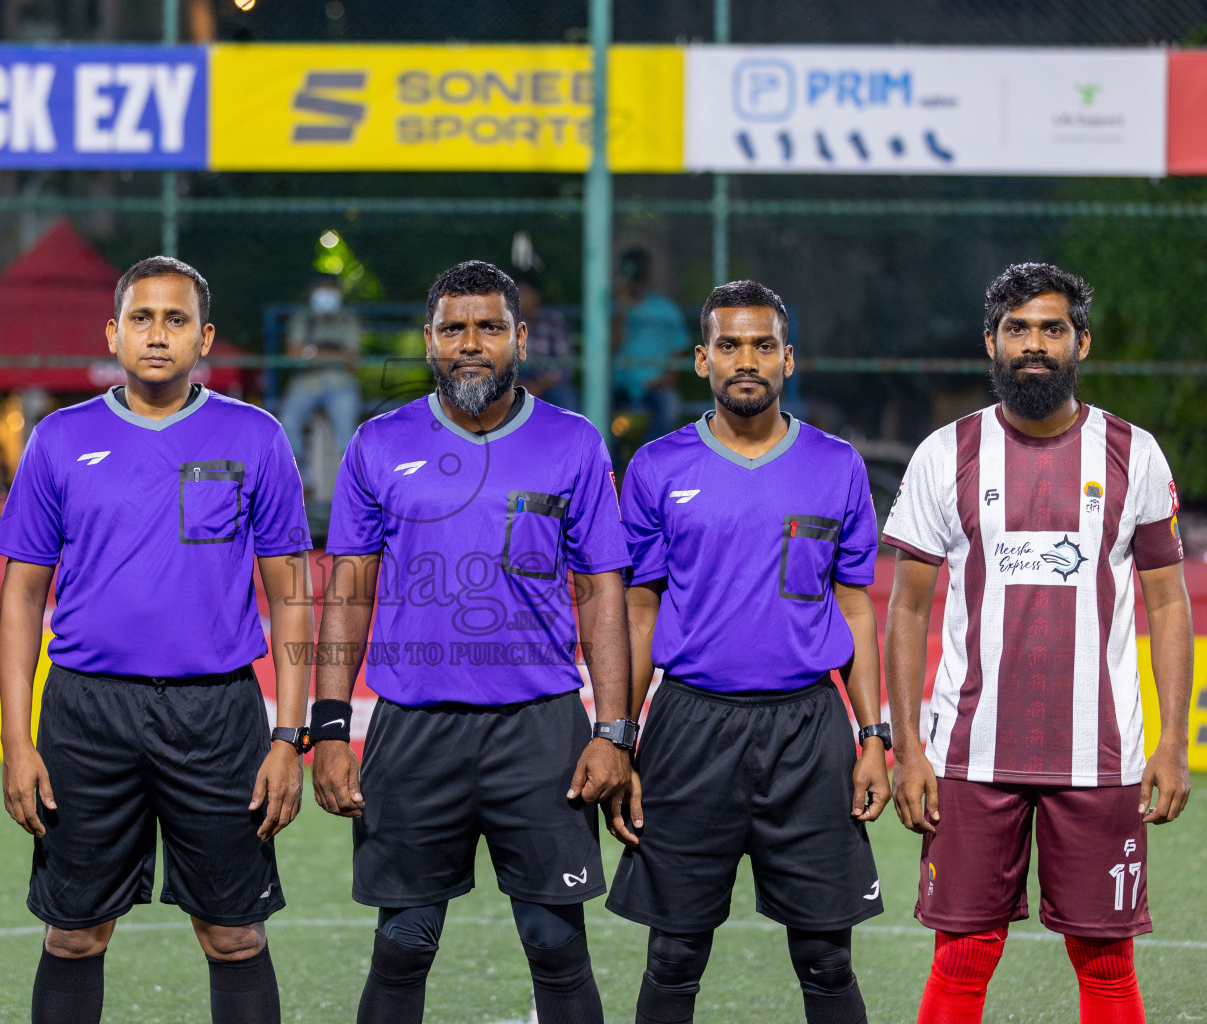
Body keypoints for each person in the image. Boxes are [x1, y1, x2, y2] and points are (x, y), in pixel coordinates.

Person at [312, 260, 638, 1024]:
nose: (470, 343)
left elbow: (602, 596)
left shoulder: (574, 444)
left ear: (518, 339)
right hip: (413, 728)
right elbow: (347, 591)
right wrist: (329, 728)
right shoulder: (378, 443)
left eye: (489, 327)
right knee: (403, 942)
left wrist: (614, 731)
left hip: (540, 727)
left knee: (555, 942)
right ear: (429, 340)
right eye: (453, 328)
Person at [0, 256, 314, 1024]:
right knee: (72, 936)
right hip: (85, 715)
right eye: (142, 318)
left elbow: (293, 598)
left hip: (217, 715)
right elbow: (21, 596)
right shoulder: (59, 440)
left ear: (204, 338)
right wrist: (17, 737)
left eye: (176, 320)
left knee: (235, 936)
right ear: (113, 332)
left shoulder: (256, 436)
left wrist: (288, 738)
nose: (158, 334)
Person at [883, 262, 1193, 1024]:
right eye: (1017, 329)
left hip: (1100, 755)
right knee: (962, 953)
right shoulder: (942, 454)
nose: (1034, 345)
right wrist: (909, 750)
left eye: (1051, 329)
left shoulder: (1134, 453)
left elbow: (1169, 602)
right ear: (991, 341)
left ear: (1080, 342)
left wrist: (1173, 742)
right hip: (971, 754)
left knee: (1106, 959)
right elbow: (906, 610)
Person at [607, 280, 888, 1024]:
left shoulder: (837, 465)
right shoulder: (657, 468)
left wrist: (874, 737)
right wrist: (620, 739)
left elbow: (855, 602)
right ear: (702, 359)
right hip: (690, 726)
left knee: (827, 957)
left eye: (763, 345)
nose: (746, 359)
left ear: (788, 358)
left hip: (809, 730)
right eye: (729, 345)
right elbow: (640, 608)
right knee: (673, 954)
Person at [277, 273, 363, 467]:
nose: (327, 294)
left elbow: (351, 358)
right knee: (286, 424)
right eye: (322, 289)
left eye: (331, 289)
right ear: (312, 292)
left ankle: (354, 485)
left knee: (347, 433)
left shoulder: (348, 319)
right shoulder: (302, 318)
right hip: (306, 382)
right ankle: (303, 481)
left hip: (340, 382)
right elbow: (293, 353)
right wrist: (335, 353)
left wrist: (311, 352)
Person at [612, 248, 689, 443]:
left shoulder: (665, 308)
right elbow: (610, 346)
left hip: (655, 384)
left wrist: (669, 377)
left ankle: (644, 460)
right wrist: (621, 311)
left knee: (670, 406)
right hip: (618, 383)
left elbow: (679, 346)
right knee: (596, 405)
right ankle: (612, 465)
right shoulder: (611, 307)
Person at [516, 269, 578, 411]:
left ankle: (571, 433)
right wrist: (519, 383)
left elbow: (565, 363)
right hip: (517, 380)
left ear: (536, 294)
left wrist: (539, 385)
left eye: (523, 291)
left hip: (549, 381)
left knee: (566, 398)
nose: (518, 296)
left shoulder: (553, 320)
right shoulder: (508, 321)